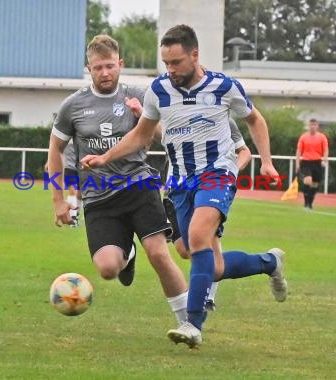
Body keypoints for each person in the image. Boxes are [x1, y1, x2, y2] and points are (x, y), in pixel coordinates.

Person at [82, 25, 288, 348]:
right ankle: (270, 262)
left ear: (194, 55)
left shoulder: (223, 86)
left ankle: (193, 323)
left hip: (217, 174)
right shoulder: (159, 90)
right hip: (178, 181)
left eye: (176, 62)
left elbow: (255, 120)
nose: (171, 70)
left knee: (197, 236)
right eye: (166, 63)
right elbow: (141, 134)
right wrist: (106, 156)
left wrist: (267, 161)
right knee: (206, 261)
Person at [47, 35, 189, 326]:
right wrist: (59, 201)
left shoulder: (140, 95)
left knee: (159, 253)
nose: (105, 73)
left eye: (110, 66)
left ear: (120, 64)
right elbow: (55, 150)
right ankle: (128, 252)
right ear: (89, 68)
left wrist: (142, 116)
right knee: (108, 269)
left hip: (139, 186)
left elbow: (168, 137)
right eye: (98, 68)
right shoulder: (72, 106)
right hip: (98, 197)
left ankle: (189, 323)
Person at [162, 118, 252, 311]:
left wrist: (232, 171)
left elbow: (244, 152)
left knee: (205, 239)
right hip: (177, 188)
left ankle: (207, 297)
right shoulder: (170, 110)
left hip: (209, 186)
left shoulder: (223, 118)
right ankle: (267, 262)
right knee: (185, 250)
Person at [45, 141, 83, 227]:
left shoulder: (80, 134)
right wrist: (49, 162)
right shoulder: (64, 135)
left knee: (80, 194)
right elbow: (56, 148)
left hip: (81, 168)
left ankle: (75, 212)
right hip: (68, 168)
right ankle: (72, 219)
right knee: (73, 191)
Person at [295, 119, 329, 209]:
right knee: (307, 180)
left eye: (314, 125)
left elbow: (325, 149)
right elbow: (299, 151)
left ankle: (310, 203)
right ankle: (306, 203)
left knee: (315, 184)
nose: (312, 127)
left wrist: (324, 159)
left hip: (317, 162)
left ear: (317, 126)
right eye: (311, 125)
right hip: (306, 162)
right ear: (308, 126)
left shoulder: (322, 137)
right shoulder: (303, 137)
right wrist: (297, 163)